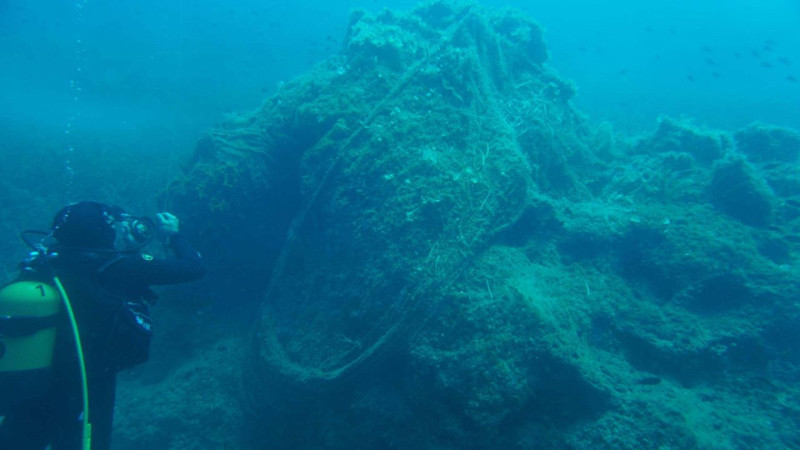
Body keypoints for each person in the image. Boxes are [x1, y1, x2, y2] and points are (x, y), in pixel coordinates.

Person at [0, 200, 205, 450]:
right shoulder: (117, 267)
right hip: (86, 381)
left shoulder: (42, 264)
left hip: (31, 383)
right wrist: (174, 236)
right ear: (104, 230)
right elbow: (193, 268)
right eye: (116, 226)